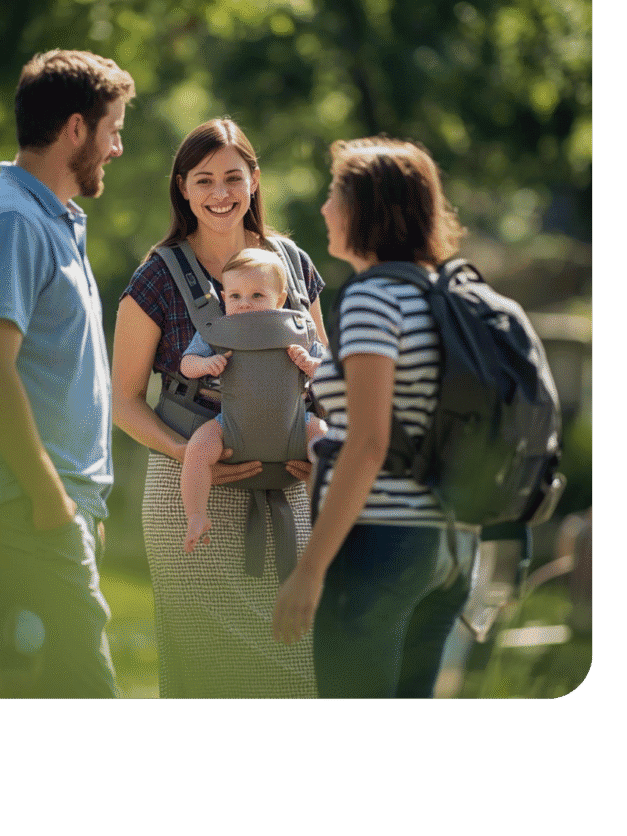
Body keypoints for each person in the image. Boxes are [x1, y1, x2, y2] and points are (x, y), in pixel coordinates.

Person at [0, 49, 135, 698]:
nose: (117, 146)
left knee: (17, 697)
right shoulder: (12, 223)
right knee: (86, 694)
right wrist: (51, 499)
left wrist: (76, 500)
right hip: (19, 507)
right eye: (112, 129)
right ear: (75, 129)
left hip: (41, 507)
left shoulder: (47, 219)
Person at [112, 118, 327, 698]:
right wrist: (192, 455)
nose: (220, 193)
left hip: (289, 495)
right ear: (182, 187)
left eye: (233, 177)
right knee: (208, 675)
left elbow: (326, 369)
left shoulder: (294, 264)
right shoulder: (156, 277)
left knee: (291, 669)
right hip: (193, 502)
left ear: (254, 181)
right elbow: (122, 401)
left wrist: (318, 450)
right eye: (204, 180)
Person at [272, 135, 479, 699]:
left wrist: (310, 571)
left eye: (335, 193)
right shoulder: (439, 294)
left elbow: (368, 443)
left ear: (366, 208)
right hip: (448, 547)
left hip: (382, 543)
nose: (324, 208)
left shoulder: (372, 297)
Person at [179, 247, 327, 554]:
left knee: (327, 445)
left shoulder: (299, 328)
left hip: (296, 424)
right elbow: (186, 363)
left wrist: (311, 366)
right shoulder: (218, 330)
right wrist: (205, 365)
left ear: (280, 297)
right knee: (197, 449)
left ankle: (324, 518)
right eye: (235, 296)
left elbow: (331, 372)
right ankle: (196, 515)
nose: (244, 304)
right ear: (223, 296)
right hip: (231, 425)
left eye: (257, 295)